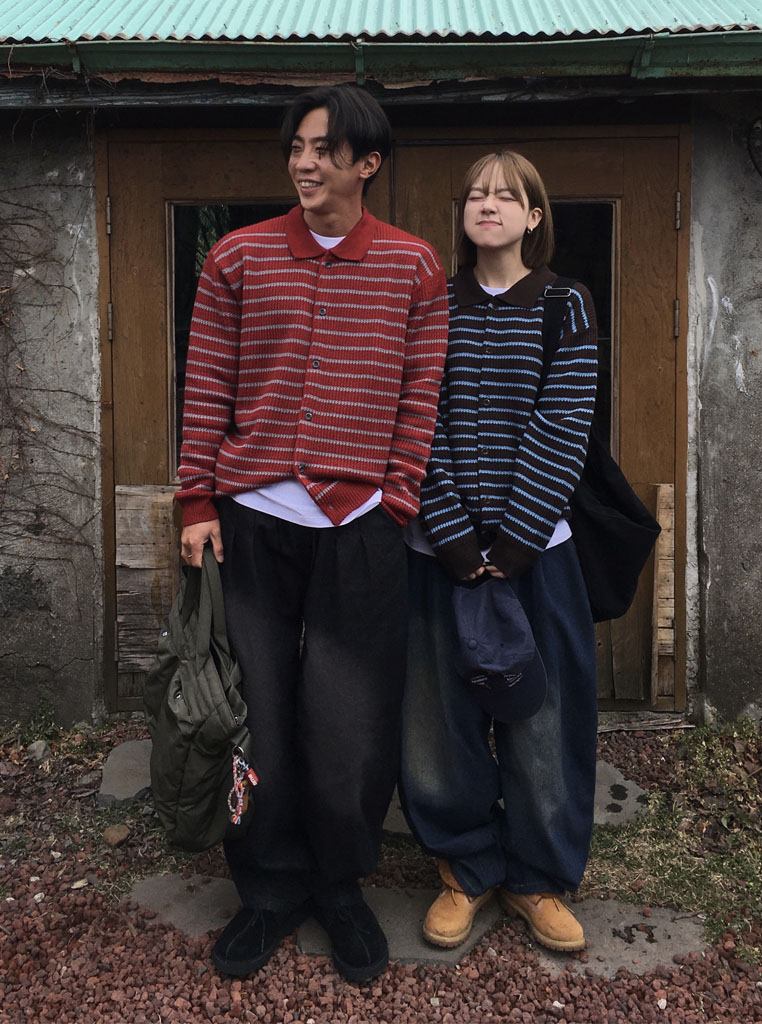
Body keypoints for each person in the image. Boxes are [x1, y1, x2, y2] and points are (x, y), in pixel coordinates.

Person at [175, 84, 448, 982]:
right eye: (296, 146)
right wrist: (197, 502)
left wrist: (397, 498)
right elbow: (206, 381)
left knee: (352, 720)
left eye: (324, 149)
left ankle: (340, 884)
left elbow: (421, 393)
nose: (303, 162)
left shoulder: (413, 266)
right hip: (254, 521)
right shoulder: (238, 257)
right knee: (257, 713)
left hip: (363, 526)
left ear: (367, 163)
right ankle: (266, 887)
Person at [401, 151, 599, 952]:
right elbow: (418, 416)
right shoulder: (433, 304)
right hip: (438, 552)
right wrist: (451, 532)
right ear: (462, 213)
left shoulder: (564, 305)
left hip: (538, 553)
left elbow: (565, 421)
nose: (489, 205)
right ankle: (465, 868)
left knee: (543, 719)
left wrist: (516, 539)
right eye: (477, 194)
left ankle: (536, 877)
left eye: (507, 196)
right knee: (437, 721)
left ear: (534, 217)